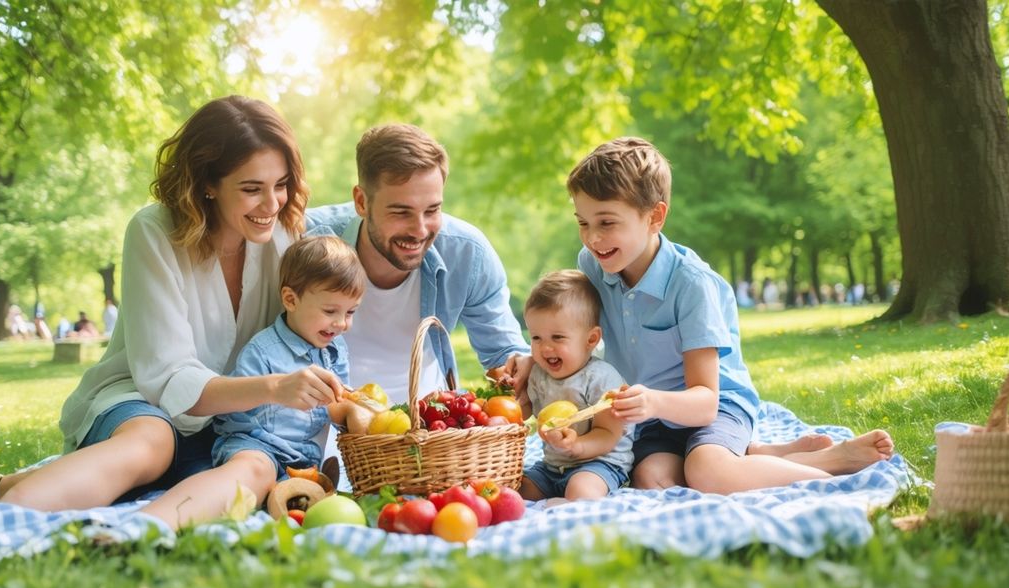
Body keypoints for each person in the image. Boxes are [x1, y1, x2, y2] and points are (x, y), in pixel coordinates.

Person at [0, 95, 337, 514]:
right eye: (251, 188)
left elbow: (352, 226)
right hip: (143, 399)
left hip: (229, 422)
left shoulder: (285, 234)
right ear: (207, 183)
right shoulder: (153, 231)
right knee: (154, 445)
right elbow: (168, 378)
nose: (272, 203)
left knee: (228, 469)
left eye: (281, 185)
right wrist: (275, 387)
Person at [568, 137, 893, 494]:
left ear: (655, 217)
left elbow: (706, 401)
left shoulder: (691, 284)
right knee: (651, 478)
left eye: (607, 222)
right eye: (583, 223)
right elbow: (574, 329)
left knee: (707, 472)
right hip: (655, 416)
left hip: (715, 404)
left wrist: (652, 401)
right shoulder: (594, 265)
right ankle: (757, 455)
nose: (593, 239)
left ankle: (831, 466)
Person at [136, 236, 372, 529]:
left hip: (302, 460)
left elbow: (336, 403)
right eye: (330, 311)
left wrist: (351, 411)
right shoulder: (263, 351)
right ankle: (154, 521)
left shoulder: (336, 350)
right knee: (255, 469)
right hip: (253, 444)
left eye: (351, 312)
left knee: (306, 494)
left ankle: (289, 494)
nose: (342, 324)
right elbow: (233, 416)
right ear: (290, 299)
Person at [305, 124, 530, 404]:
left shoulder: (467, 254)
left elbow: (504, 354)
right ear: (361, 202)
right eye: (401, 212)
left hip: (429, 430)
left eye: (432, 210)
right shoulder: (305, 242)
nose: (420, 230)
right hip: (322, 433)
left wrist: (516, 374)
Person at [518, 270, 633, 502]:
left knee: (581, 490)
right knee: (518, 489)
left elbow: (608, 434)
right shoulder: (539, 374)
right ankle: (552, 501)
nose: (545, 348)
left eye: (557, 337)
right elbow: (527, 409)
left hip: (599, 463)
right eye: (536, 338)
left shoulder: (601, 378)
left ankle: (568, 510)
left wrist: (577, 446)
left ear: (591, 339)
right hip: (552, 466)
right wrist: (510, 404)